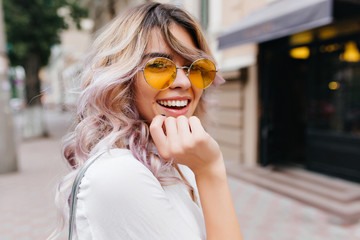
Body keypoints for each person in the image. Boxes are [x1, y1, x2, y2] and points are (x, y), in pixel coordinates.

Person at [51, 2, 242, 240]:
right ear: (122, 78)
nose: (184, 82)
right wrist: (211, 171)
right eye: (159, 66)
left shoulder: (179, 161)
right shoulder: (118, 174)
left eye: (195, 67)